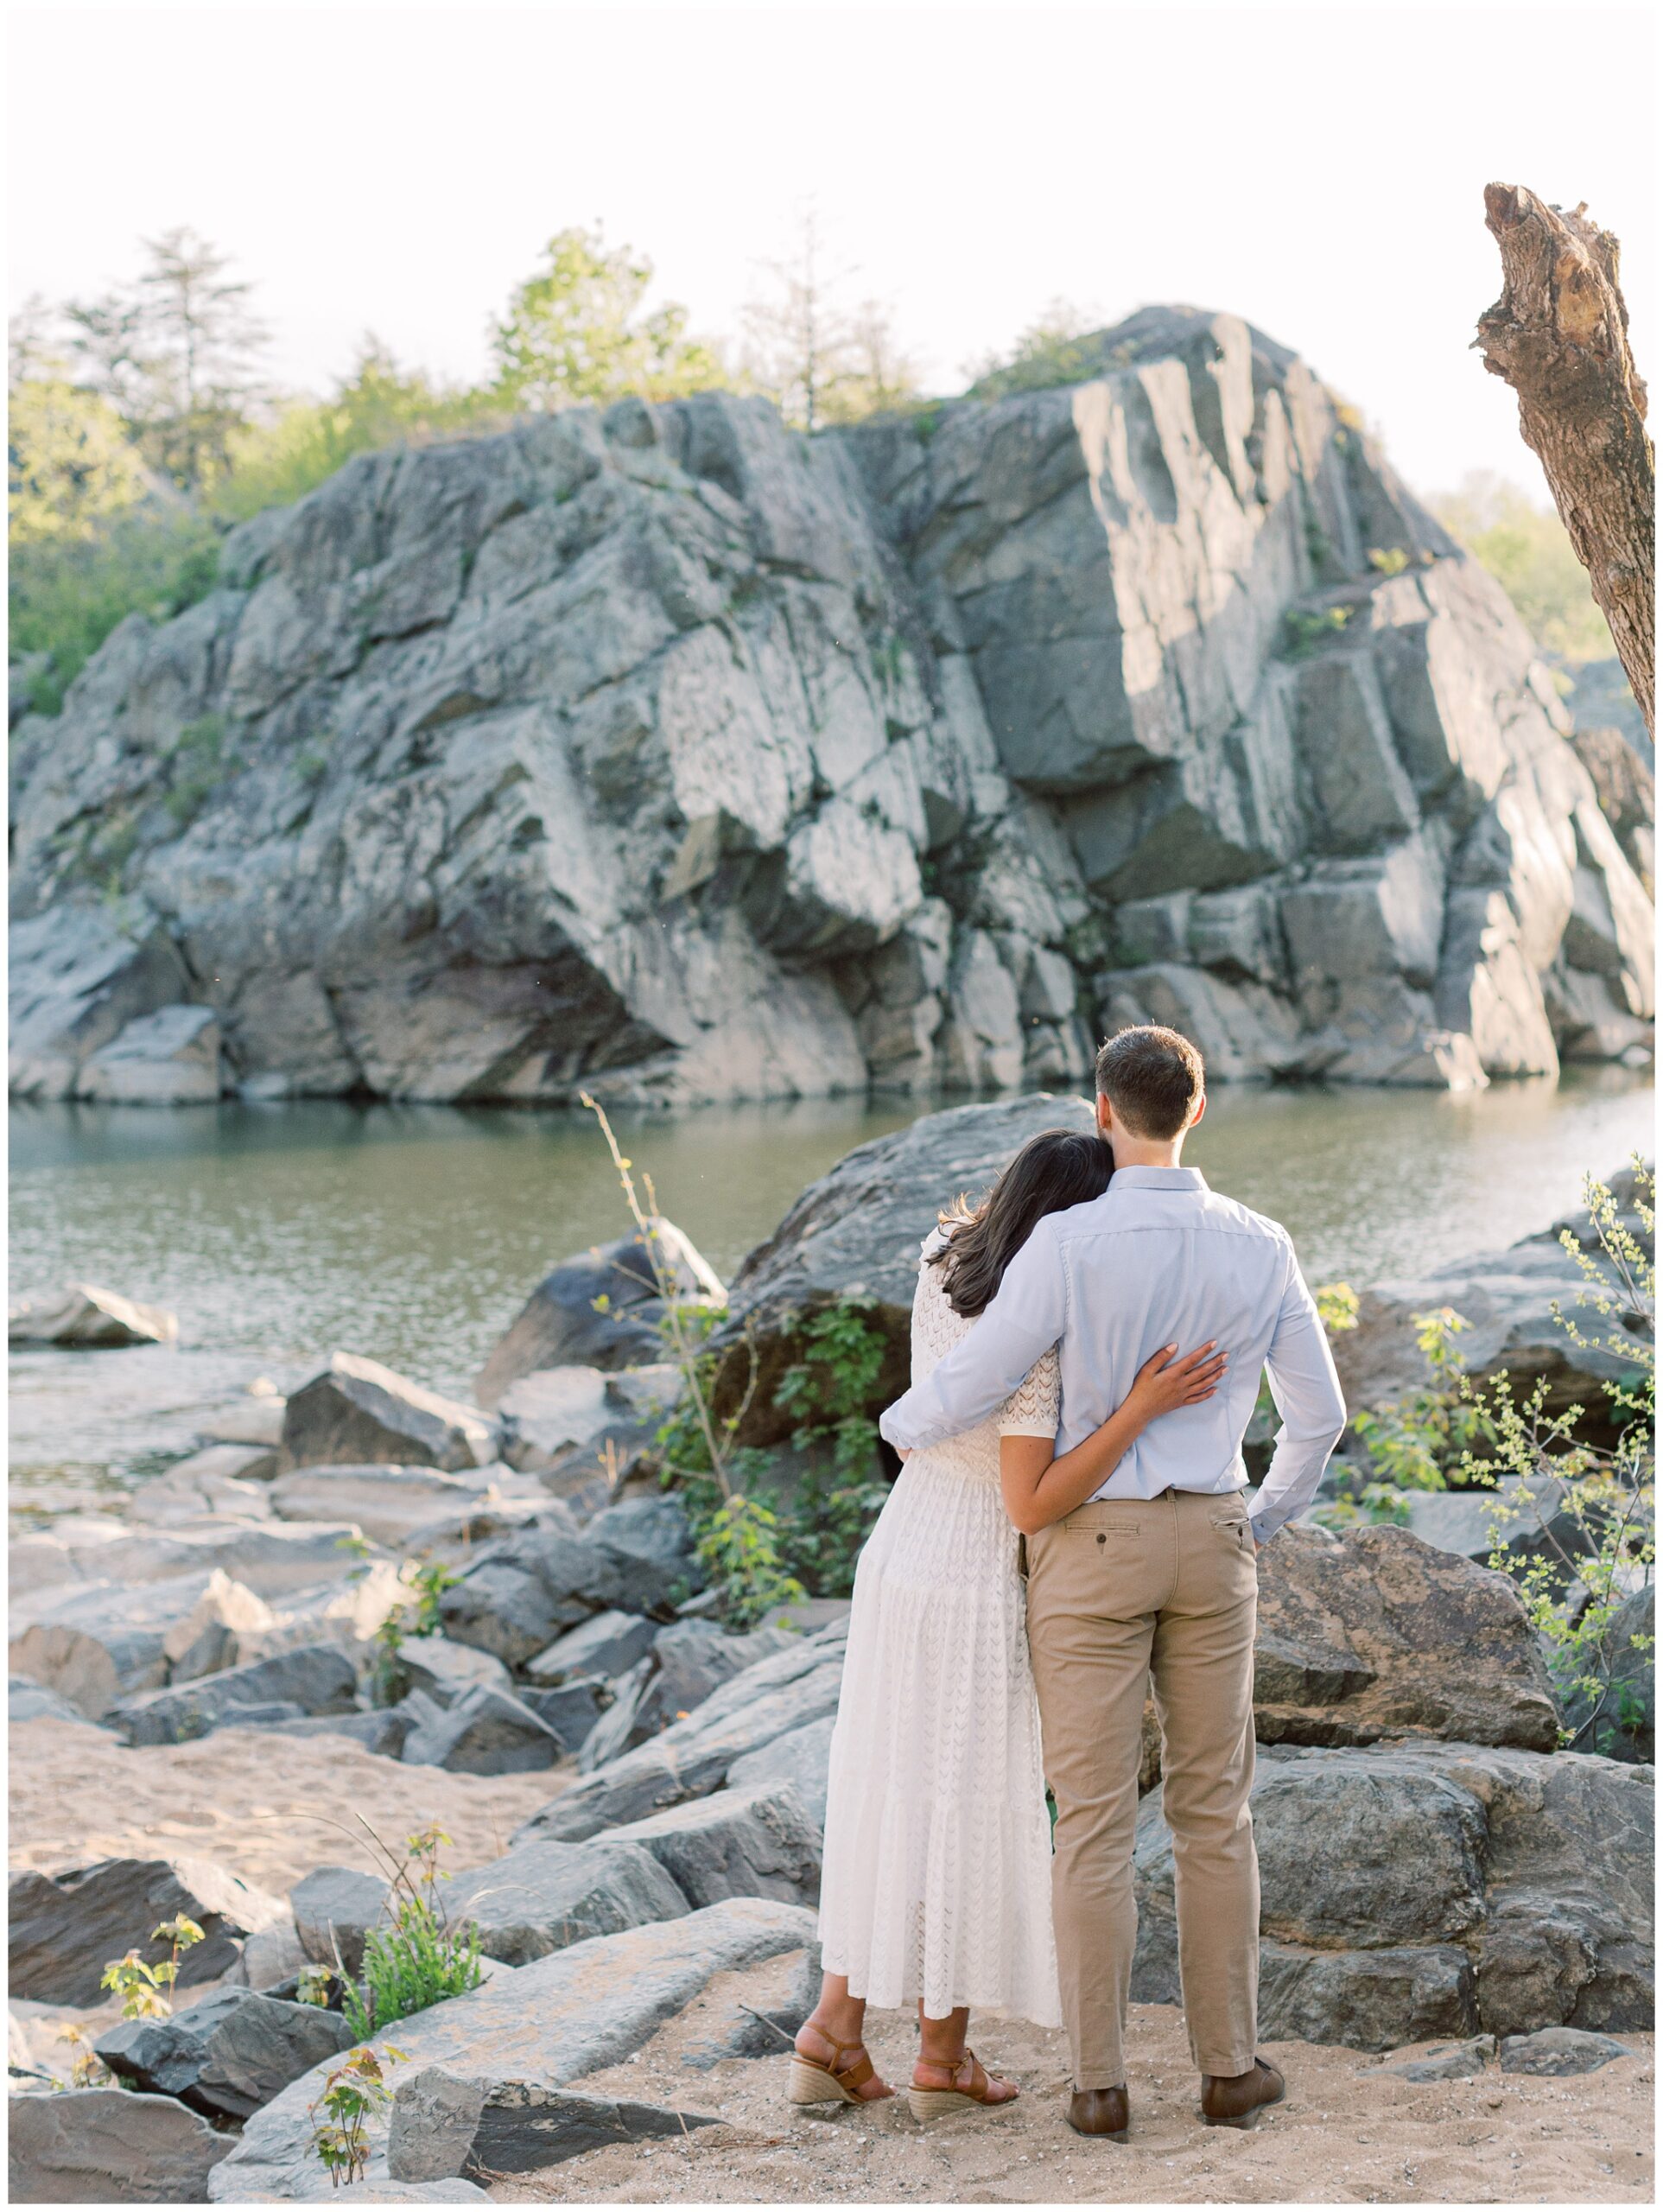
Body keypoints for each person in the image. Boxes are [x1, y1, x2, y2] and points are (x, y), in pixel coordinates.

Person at [880, 1025, 1348, 2139]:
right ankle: (1228, 2071)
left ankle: (1097, 2085)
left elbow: (979, 1382)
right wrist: (1259, 1513)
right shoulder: (1259, 1241)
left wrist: (898, 1429)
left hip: (1087, 1546)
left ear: (1103, 1111)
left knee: (1088, 1821)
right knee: (1211, 1814)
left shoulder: (1069, 1243)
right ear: (1199, 1109)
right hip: (1211, 1535)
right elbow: (1319, 1417)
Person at [791, 1128, 1228, 2123]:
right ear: (1071, 1218)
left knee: (891, 1796)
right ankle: (938, 2059)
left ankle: (832, 2033)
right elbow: (1028, 1500)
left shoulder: (943, 1259)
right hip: (976, 1572)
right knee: (966, 1805)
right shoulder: (1036, 1330)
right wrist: (1142, 1406)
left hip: (901, 1549)